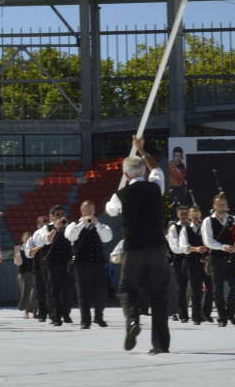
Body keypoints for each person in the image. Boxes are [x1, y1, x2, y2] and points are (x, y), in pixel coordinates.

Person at [105, 135, 171, 354]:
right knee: (159, 296)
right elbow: (158, 171)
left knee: (127, 289)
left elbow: (110, 210)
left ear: (125, 175)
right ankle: (160, 344)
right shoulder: (155, 188)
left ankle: (133, 321)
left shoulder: (120, 195)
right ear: (143, 172)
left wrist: (119, 192)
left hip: (134, 250)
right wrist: (142, 150)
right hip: (157, 249)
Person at [201, 192, 235, 327]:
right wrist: (224, 247)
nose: (222, 207)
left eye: (224, 205)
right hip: (216, 258)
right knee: (218, 290)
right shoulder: (208, 221)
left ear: (227, 205)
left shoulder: (234, 219)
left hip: (232, 257)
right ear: (214, 205)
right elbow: (208, 241)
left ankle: (231, 313)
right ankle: (222, 318)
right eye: (219, 204)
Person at [65, 199, 113, 329]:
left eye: (92, 209)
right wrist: (83, 224)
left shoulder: (101, 225)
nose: (91, 212)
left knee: (102, 291)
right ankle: (85, 321)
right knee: (83, 294)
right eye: (88, 209)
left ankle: (99, 317)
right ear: (82, 210)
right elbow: (70, 236)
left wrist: (97, 225)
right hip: (81, 265)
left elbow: (107, 238)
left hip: (98, 264)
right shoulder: (74, 225)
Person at [32, 204, 73, 326]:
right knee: (53, 291)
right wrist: (55, 228)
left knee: (68, 290)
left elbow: (73, 239)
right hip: (52, 264)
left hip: (66, 263)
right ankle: (55, 317)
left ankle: (66, 313)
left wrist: (68, 228)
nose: (61, 217)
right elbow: (45, 240)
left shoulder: (69, 227)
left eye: (62, 214)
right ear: (51, 217)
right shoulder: (45, 229)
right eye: (57, 215)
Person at [179, 206, 214, 324]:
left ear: (200, 215)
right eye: (192, 213)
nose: (195, 215)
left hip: (206, 262)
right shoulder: (185, 230)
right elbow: (184, 247)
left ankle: (205, 312)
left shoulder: (205, 228)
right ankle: (196, 316)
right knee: (196, 290)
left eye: (197, 213)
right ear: (189, 215)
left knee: (211, 288)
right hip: (192, 262)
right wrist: (196, 249)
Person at [166, 203, 192, 322]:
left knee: (197, 288)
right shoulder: (173, 228)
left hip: (193, 261)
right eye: (182, 214)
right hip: (179, 262)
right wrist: (190, 248)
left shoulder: (194, 226)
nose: (184, 216)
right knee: (181, 289)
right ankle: (183, 314)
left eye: (186, 214)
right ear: (177, 215)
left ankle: (199, 312)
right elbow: (175, 247)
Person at [15, 231, 38, 319]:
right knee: (25, 292)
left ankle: (35, 310)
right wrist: (16, 253)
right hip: (23, 273)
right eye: (26, 237)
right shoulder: (20, 249)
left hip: (34, 272)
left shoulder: (35, 248)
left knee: (35, 291)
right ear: (23, 239)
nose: (28, 239)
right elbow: (18, 263)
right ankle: (26, 312)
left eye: (29, 237)